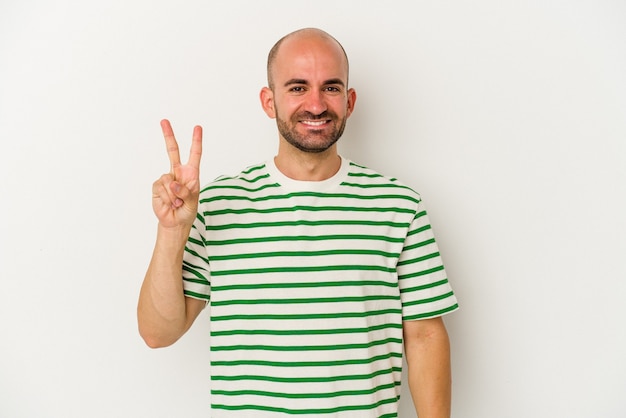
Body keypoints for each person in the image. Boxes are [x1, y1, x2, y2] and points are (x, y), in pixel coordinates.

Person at [138, 27, 459, 418]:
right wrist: (172, 232)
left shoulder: (398, 205)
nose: (316, 104)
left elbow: (425, 336)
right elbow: (158, 333)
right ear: (268, 101)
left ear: (349, 100)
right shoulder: (218, 204)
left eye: (331, 87)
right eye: (297, 88)